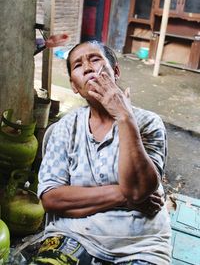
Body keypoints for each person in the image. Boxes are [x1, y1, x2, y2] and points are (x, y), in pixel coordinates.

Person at [30, 40, 171, 265]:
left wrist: (125, 118)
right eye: (78, 65)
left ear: (115, 71)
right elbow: (51, 198)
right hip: (74, 235)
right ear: (74, 86)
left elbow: (140, 189)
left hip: (140, 244)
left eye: (95, 59)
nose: (87, 67)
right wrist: (125, 196)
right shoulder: (65, 128)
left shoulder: (147, 122)